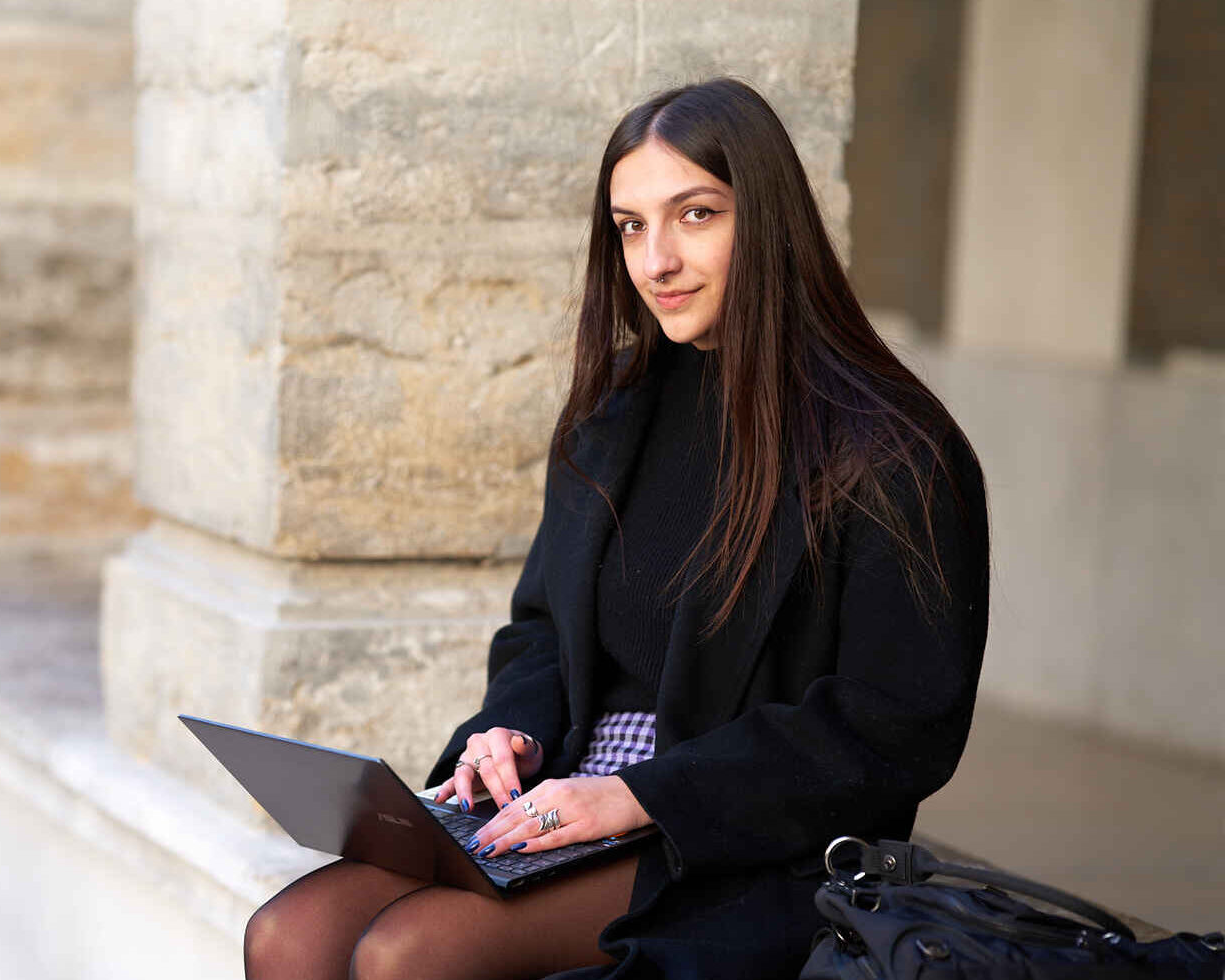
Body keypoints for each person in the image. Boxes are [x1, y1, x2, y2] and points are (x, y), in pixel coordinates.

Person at [241, 76, 991, 980]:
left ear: (771, 220)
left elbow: (893, 730)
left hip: (741, 843)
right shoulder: (612, 417)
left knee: (411, 956)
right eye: (632, 226)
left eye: (696, 215)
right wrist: (507, 735)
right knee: (286, 937)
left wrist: (638, 795)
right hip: (564, 803)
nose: (657, 259)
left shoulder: (894, 450)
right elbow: (544, 634)